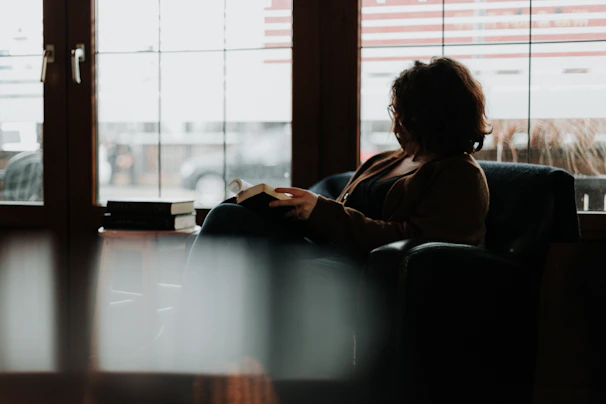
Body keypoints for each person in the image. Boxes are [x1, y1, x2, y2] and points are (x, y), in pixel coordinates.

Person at [195, 56, 491, 257]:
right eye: (395, 112)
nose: (396, 123)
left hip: (354, 264)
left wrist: (321, 211)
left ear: (429, 118)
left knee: (227, 219)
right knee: (234, 208)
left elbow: (415, 242)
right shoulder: (387, 159)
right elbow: (340, 213)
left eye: (402, 114)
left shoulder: (459, 175)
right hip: (325, 247)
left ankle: (185, 332)